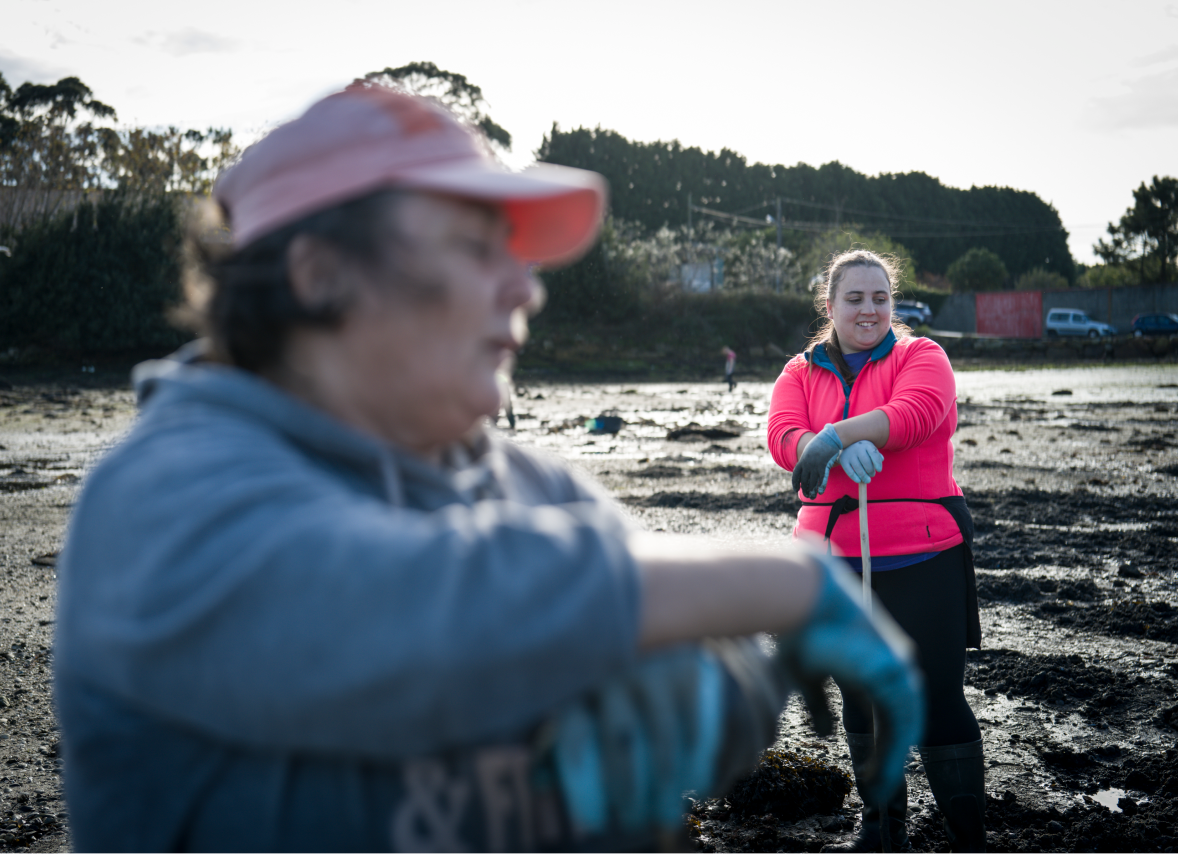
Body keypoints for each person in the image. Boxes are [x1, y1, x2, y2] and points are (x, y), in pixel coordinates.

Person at [53, 85, 923, 854]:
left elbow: (712, 676)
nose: (526, 288)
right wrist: (786, 576)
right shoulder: (158, 499)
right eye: (475, 248)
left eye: (518, 252)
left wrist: (697, 687)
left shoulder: (530, 487)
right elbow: (417, 604)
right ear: (320, 275)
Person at [767, 249, 986, 854]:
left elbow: (914, 415)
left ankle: (969, 839)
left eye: (881, 297)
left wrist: (842, 434)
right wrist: (815, 444)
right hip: (831, 559)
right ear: (830, 306)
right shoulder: (800, 371)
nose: (870, 309)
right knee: (857, 696)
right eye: (855, 298)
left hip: (923, 556)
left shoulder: (924, 356)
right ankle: (882, 829)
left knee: (938, 696)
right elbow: (783, 435)